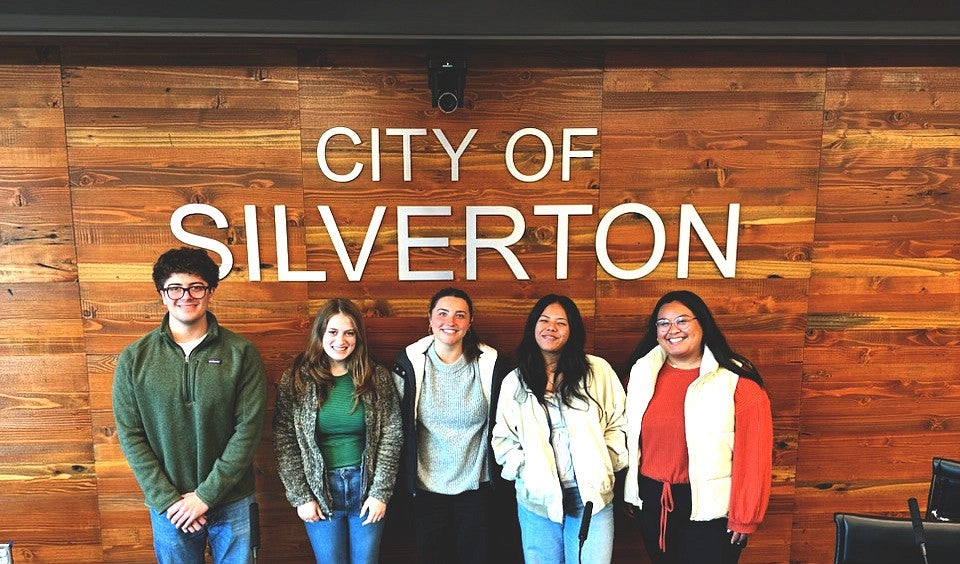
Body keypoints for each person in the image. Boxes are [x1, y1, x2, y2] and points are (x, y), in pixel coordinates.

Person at [112, 247, 266, 564]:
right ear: (162, 294)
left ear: (210, 291)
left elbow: (248, 431)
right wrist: (169, 501)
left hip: (234, 499)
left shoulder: (241, 353)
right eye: (175, 288)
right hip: (169, 506)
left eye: (196, 286)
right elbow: (131, 435)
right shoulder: (134, 358)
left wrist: (205, 497)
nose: (186, 296)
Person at [622, 290, 773, 564]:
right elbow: (631, 440)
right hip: (653, 503)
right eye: (663, 323)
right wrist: (633, 492)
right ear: (655, 331)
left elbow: (754, 456)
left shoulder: (738, 381)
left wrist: (745, 515)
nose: (673, 330)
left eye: (682, 320)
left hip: (711, 509)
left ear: (702, 324)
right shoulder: (641, 373)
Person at [492, 294, 628, 564]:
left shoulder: (597, 371)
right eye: (544, 320)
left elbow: (619, 423)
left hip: (592, 500)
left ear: (572, 331)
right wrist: (528, 472)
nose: (550, 327)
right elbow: (503, 439)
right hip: (538, 503)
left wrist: (606, 463)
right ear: (533, 327)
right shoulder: (515, 381)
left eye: (560, 323)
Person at [391, 287, 517, 564]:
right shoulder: (409, 364)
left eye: (460, 315)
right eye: (443, 313)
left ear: (470, 323)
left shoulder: (492, 365)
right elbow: (394, 429)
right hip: (426, 490)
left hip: (477, 489)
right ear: (430, 319)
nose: (451, 321)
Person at [273, 298, 402, 564]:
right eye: (332, 332)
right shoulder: (297, 377)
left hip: (366, 487)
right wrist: (301, 497)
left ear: (358, 336)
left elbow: (392, 434)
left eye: (349, 332)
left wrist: (380, 492)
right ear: (320, 334)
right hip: (320, 490)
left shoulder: (376, 376)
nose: (340, 340)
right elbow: (285, 440)